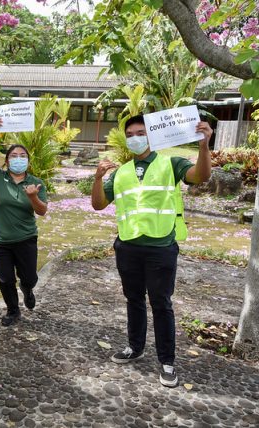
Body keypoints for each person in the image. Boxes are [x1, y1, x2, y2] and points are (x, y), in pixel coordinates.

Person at [91, 114, 212, 388]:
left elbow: (201, 175)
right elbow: (98, 204)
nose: (135, 138)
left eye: (140, 133)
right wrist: (98, 179)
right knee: (133, 299)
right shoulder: (121, 172)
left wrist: (204, 145)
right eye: (130, 134)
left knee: (161, 303)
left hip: (161, 248)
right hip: (128, 246)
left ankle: (167, 361)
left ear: (152, 135)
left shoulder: (171, 163)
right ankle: (135, 347)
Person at [0, 117, 48, 327]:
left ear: (28, 160)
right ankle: (13, 310)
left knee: (29, 277)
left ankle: (27, 289)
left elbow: (42, 210)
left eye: (23, 156)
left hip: (26, 239)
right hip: (0, 240)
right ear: (7, 161)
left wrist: (33, 197)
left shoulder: (36, 183)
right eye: (14, 156)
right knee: (5, 279)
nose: (19, 159)